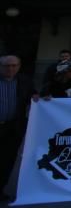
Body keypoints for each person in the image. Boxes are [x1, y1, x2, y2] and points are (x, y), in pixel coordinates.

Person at [0, 55, 37, 195]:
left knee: (7, 160)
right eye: (6, 66)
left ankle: (1, 188)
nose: (10, 68)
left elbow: (33, 95)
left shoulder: (24, 81)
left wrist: (41, 98)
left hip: (12, 127)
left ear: (19, 66)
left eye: (14, 65)